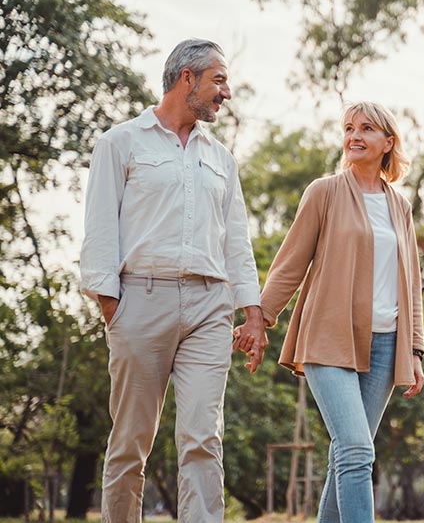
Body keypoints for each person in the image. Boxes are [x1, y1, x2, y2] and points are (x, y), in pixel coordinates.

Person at [80, 39, 267, 523]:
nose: (225, 92)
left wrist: (253, 312)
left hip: (209, 307)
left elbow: (236, 241)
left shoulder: (222, 158)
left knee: (204, 438)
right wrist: (111, 305)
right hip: (140, 301)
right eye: (219, 80)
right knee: (130, 442)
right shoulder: (120, 142)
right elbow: (100, 230)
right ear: (188, 78)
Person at [243, 101, 424, 523]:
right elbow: (290, 263)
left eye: (366, 128)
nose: (354, 136)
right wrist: (260, 318)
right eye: (348, 128)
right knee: (358, 449)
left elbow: (412, 284)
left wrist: (414, 351)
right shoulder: (323, 192)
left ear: (388, 142)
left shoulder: (400, 206)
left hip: (385, 345)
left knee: (346, 453)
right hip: (329, 338)